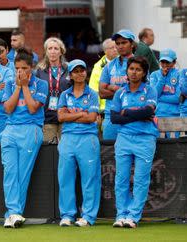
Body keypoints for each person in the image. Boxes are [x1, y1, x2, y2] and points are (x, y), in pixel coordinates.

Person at [1, 48, 47, 228]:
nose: (20, 72)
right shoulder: (10, 83)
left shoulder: (41, 84)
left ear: (32, 67)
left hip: (31, 129)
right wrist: (18, 86)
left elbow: (33, 108)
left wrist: (25, 86)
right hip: (10, 130)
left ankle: (13, 213)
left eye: (24, 68)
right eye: (17, 68)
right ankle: (13, 213)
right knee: (10, 172)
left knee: (23, 173)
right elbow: (8, 108)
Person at [110, 56, 158, 229]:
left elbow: (148, 112)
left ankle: (133, 216)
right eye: (131, 69)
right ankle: (121, 214)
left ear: (144, 72)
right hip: (123, 139)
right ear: (127, 71)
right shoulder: (120, 92)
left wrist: (126, 112)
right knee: (121, 178)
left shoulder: (150, 90)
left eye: (138, 69)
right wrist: (138, 113)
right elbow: (114, 118)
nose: (134, 72)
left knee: (140, 179)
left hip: (145, 139)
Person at [57, 59, 101, 227]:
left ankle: (88, 216)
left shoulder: (92, 94)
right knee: (65, 177)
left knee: (90, 178)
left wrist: (72, 115)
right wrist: (81, 114)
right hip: (68, 138)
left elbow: (92, 118)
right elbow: (61, 117)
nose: (80, 73)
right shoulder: (64, 94)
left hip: (87, 139)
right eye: (76, 71)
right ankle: (67, 215)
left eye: (82, 70)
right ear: (71, 75)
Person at [99, 29, 136, 140]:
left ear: (132, 44)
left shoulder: (140, 64)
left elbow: (139, 91)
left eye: (124, 43)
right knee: (109, 153)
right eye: (118, 43)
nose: (120, 46)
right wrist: (125, 90)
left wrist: (112, 87)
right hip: (111, 116)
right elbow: (102, 93)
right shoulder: (109, 66)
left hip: (132, 116)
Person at [35, 37, 70, 142]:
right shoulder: (39, 71)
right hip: (47, 116)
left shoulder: (69, 69)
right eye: (50, 48)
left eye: (56, 48)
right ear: (46, 51)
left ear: (61, 51)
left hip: (66, 115)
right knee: (48, 151)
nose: (53, 51)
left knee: (65, 149)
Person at [149, 48, 181, 138]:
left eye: (168, 62)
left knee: (174, 148)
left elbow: (178, 98)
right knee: (159, 146)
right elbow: (154, 95)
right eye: (162, 62)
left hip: (175, 116)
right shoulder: (154, 75)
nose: (165, 65)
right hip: (158, 115)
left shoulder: (180, 74)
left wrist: (159, 97)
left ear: (174, 62)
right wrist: (162, 78)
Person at [89, 38, 118, 113]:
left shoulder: (124, 62)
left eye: (116, 47)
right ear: (105, 51)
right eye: (112, 48)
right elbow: (93, 90)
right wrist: (96, 110)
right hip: (104, 109)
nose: (115, 50)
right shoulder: (98, 67)